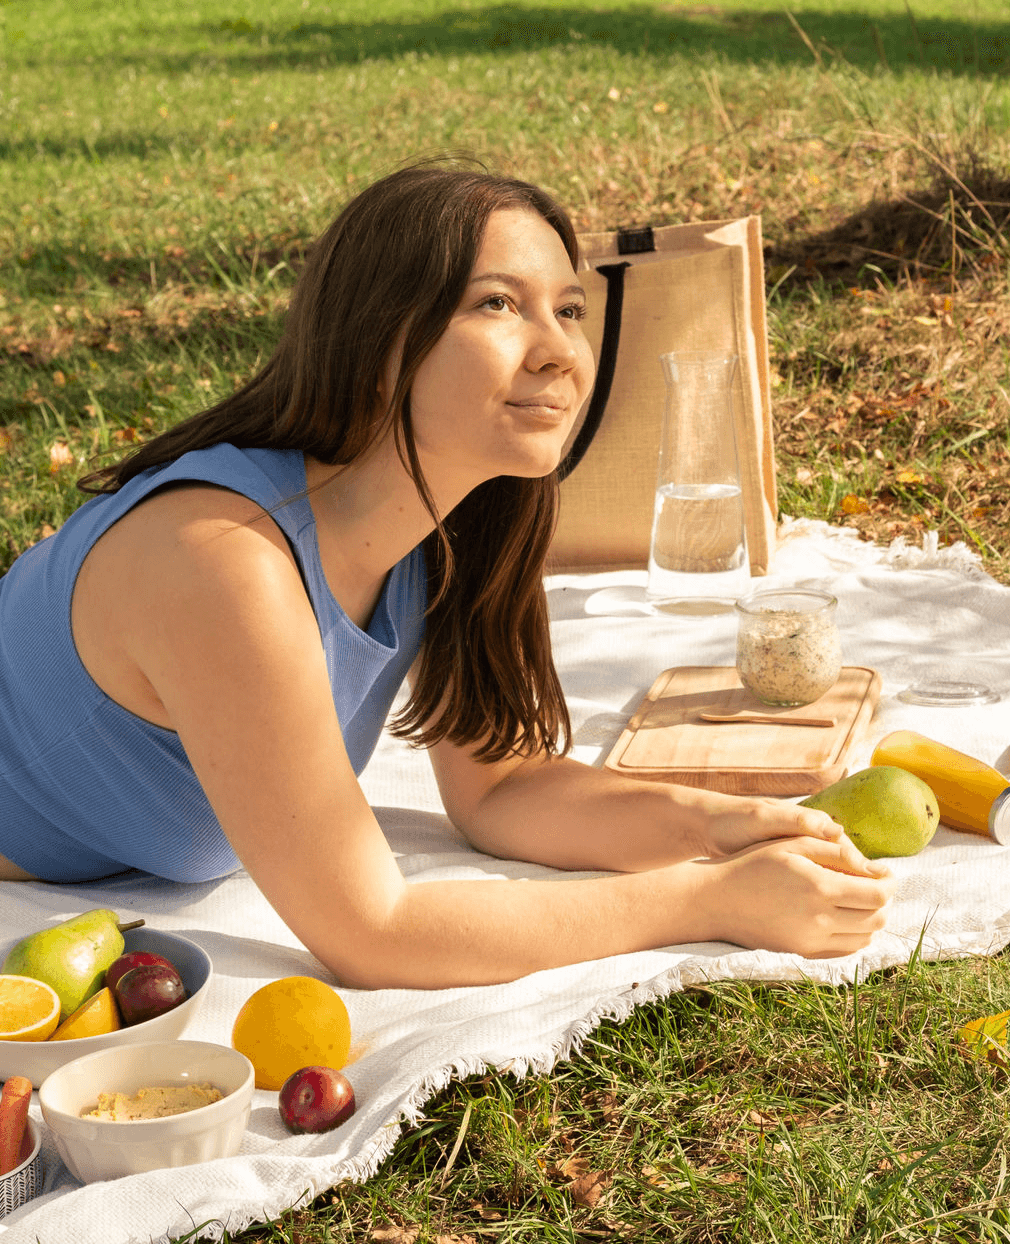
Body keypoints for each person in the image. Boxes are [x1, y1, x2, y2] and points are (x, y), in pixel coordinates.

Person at [0, 163, 894, 988]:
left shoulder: (454, 517)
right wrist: (710, 900)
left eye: (571, 310)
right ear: (382, 338)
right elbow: (373, 932)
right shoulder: (223, 560)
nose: (560, 353)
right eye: (500, 305)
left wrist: (714, 828)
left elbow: (505, 787)